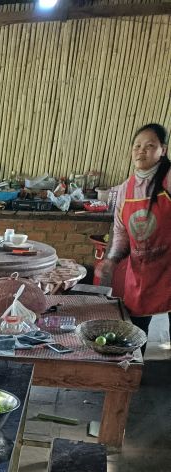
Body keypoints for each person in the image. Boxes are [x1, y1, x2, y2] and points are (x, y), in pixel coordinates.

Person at [103, 123, 171, 335]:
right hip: (142, 272)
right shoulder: (125, 189)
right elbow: (121, 234)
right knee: (135, 333)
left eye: (150, 145)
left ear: (163, 150)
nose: (141, 150)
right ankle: (135, 368)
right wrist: (111, 260)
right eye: (137, 145)